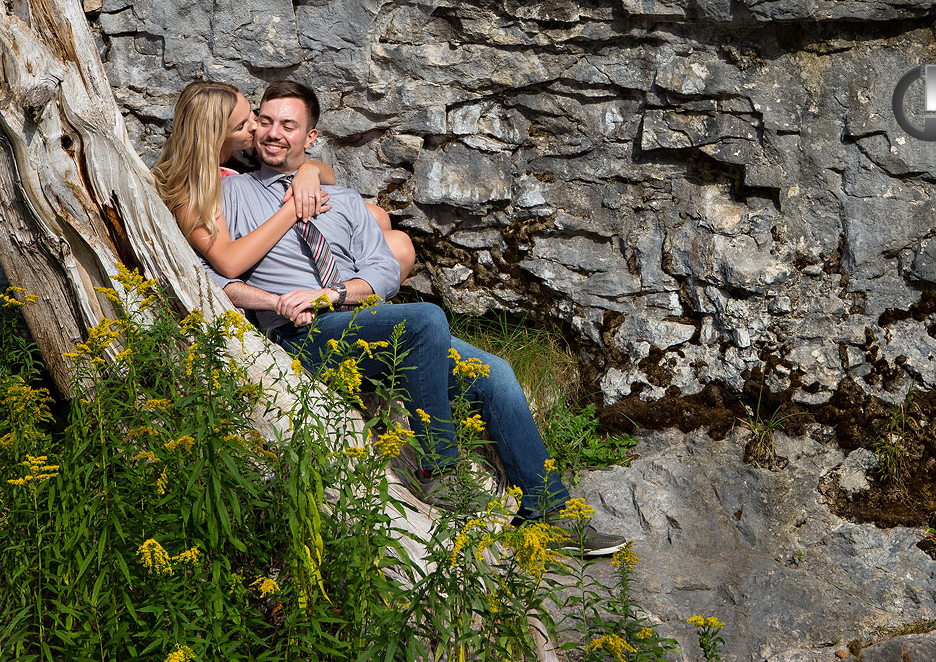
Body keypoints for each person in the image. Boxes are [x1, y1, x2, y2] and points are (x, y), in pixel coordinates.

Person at [210, 80, 626, 557]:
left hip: (363, 320)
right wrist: (277, 301)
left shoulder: (342, 200)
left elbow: (384, 270)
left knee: (498, 375)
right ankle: (436, 468)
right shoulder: (233, 193)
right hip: (303, 333)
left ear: (312, 137)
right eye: (265, 121)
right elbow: (214, 271)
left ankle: (549, 515)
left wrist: (336, 292)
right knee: (425, 319)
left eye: (289, 125)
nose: (273, 133)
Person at [152, 81, 414, 282]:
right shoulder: (192, 188)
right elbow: (228, 263)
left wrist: (308, 172)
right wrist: (293, 210)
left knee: (376, 216)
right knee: (392, 243)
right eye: (243, 125)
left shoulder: (239, 156)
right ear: (215, 136)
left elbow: (328, 175)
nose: (257, 127)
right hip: (256, 263)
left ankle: (358, 295)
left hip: (270, 222)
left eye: (254, 116)